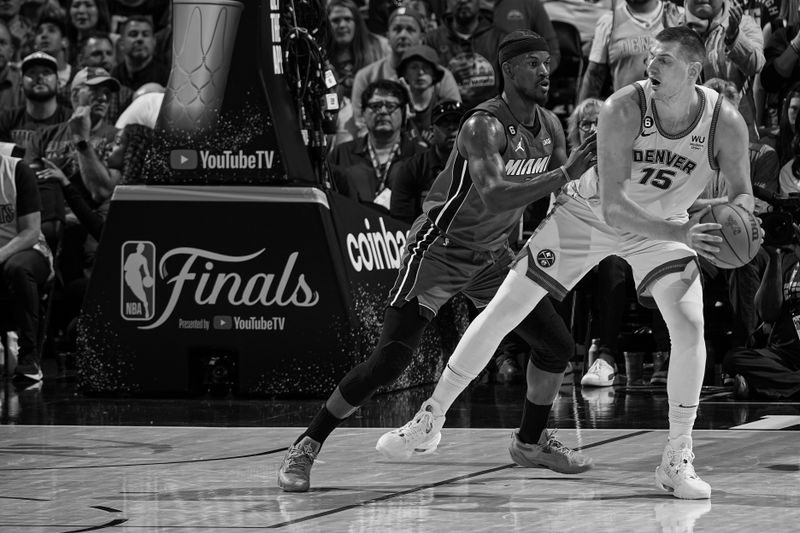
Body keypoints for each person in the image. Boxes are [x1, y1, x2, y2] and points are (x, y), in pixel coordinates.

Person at [385, 26, 756, 500]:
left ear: (693, 70)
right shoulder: (624, 106)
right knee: (506, 307)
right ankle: (430, 418)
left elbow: (742, 190)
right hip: (591, 216)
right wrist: (683, 232)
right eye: (650, 58)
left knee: (690, 327)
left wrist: (739, 214)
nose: (651, 67)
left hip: (663, 228)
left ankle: (677, 457)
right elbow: (617, 209)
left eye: (663, 60)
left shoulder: (725, 122)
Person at [278, 30, 597, 493]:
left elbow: (562, 194)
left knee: (556, 346)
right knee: (389, 364)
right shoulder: (482, 126)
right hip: (439, 250)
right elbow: (493, 193)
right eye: (533, 63)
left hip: (493, 257)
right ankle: (306, 445)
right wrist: (565, 174)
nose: (545, 71)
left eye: (547, 62)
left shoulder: (548, 126)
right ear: (508, 70)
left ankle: (529, 442)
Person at [350, 6, 460, 138]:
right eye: (397, 29)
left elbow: (455, 121)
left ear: (422, 36)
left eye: (410, 30)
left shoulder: (441, 75)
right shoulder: (366, 76)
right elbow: (361, 125)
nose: (403, 35)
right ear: (387, 36)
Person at [723, 227, 800, 401]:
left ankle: (766, 386)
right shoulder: (787, 259)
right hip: (784, 354)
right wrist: (774, 258)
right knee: (734, 358)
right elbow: (767, 313)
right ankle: (787, 386)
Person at [327, 79, 421, 210]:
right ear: (363, 113)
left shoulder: (420, 156)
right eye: (375, 106)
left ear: (403, 112)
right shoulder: (341, 153)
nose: (382, 111)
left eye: (390, 106)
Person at [0, 151, 53, 382]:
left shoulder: (17, 170)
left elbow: (30, 232)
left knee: (17, 268)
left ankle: (29, 357)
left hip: (28, 251)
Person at [682, 0, 765, 141]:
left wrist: (734, 36)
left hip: (736, 134)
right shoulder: (671, 25)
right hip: (686, 135)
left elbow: (756, 64)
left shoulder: (743, 24)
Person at [579, 0, 683, 101]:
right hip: (627, 111)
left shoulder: (679, 16)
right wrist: (582, 113)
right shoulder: (609, 21)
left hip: (673, 109)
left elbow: (693, 69)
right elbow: (594, 75)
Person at [389, 99, 464, 223]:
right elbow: (400, 221)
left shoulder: (480, 164)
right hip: (424, 237)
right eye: (444, 123)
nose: (451, 128)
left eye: (457, 122)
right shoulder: (412, 168)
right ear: (431, 130)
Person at [424, 0, 506, 109]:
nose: (463, 1)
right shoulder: (433, 40)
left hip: (492, 115)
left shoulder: (499, 39)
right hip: (448, 117)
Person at [0, 52, 71, 152]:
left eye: (46, 72)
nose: (40, 77)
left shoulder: (70, 120)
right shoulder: (6, 119)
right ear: (20, 84)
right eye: (32, 73)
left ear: (58, 83)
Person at [396, 44, 447, 145]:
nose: (420, 72)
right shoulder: (397, 109)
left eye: (426, 67)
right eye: (414, 67)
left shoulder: (444, 109)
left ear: (434, 74)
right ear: (405, 74)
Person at [111, 15, 169, 92]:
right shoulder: (114, 76)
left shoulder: (168, 78)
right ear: (121, 43)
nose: (140, 39)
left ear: (154, 42)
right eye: (133, 34)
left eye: (145, 34)